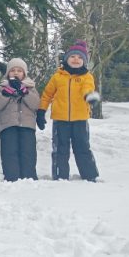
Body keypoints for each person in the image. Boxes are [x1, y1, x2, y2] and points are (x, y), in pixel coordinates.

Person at [38, 40, 100, 182]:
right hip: (60, 120)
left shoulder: (86, 77)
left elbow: (88, 88)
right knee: (60, 148)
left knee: (82, 147)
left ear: (84, 61)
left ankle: (90, 175)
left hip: (80, 119)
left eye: (79, 57)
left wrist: (89, 96)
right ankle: (60, 175)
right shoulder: (57, 77)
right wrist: (41, 111)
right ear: (66, 59)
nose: (76, 59)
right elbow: (47, 94)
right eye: (73, 56)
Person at [0, 58, 40, 181]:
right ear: (8, 73)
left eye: (19, 70)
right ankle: (11, 176)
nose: (16, 73)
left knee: (28, 151)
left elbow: (36, 105)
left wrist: (25, 93)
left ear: (24, 73)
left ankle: (29, 175)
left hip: (27, 125)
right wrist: (6, 94)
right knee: (9, 151)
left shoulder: (30, 87)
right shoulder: (2, 87)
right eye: (13, 70)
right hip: (8, 125)